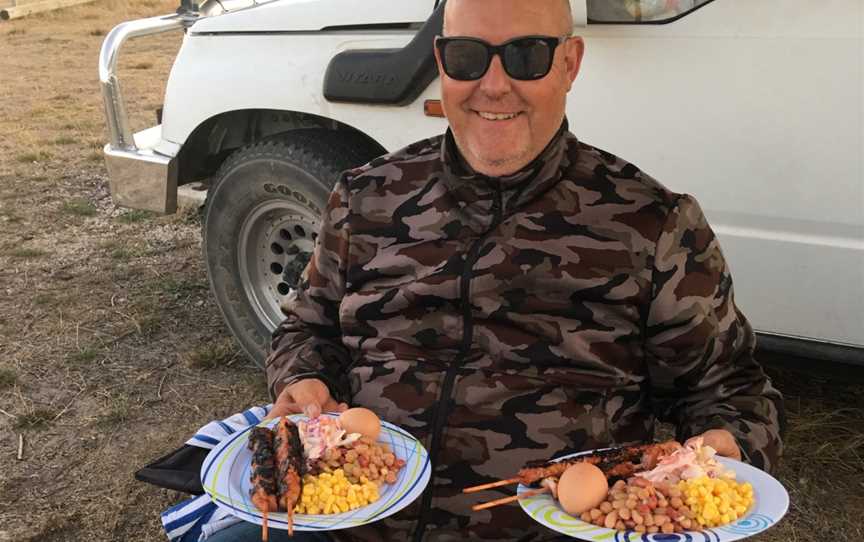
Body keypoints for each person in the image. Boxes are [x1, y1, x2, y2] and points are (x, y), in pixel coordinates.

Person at [234, 0, 785, 540]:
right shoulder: (367, 198)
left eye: (526, 56)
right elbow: (309, 328)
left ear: (570, 63)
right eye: (468, 56)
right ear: (441, 61)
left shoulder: (653, 225)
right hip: (349, 519)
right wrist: (302, 377)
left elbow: (730, 391)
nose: (494, 85)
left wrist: (722, 450)